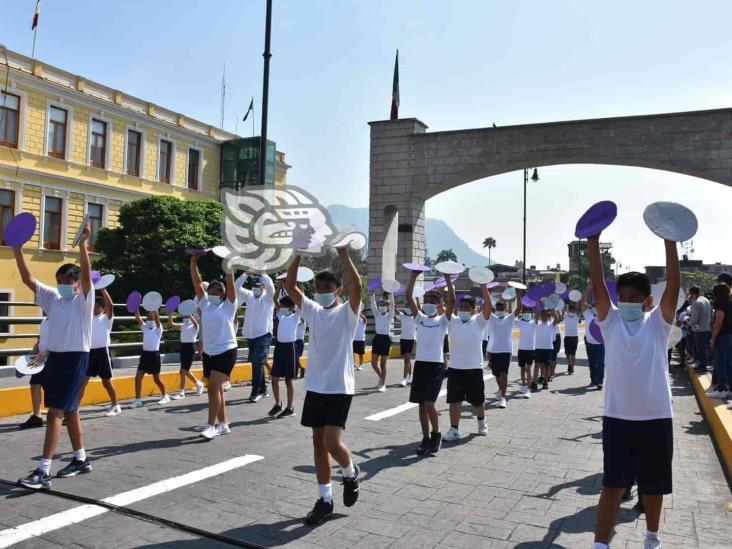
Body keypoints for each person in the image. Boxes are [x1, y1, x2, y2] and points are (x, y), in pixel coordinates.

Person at [588, 229, 680, 549]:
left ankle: (652, 537)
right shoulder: (610, 322)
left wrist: (671, 240)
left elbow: (674, 287)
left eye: (634, 298)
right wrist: (592, 240)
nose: (627, 302)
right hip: (618, 419)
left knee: (653, 487)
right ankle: (601, 543)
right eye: (622, 297)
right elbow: (599, 286)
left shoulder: (658, 323)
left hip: (656, 418)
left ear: (648, 301)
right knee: (613, 485)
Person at [284, 248, 362, 526]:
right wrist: (296, 256)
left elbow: (358, 286)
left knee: (331, 442)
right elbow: (290, 286)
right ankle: (324, 499)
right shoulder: (313, 311)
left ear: (338, 289)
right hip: (316, 386)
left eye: (327, 288)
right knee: (318, 444)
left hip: (340, 387)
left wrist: (343, 254)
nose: (321, 292)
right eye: (318, 288)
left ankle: (351, 472)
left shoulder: (347, 313)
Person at [15, 225, 94, 489]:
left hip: (75, 359)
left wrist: (83, 245)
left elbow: (86, 280)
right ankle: (80, 459)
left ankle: (43, 470)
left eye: (67, 283)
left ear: (77, 283)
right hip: (56, 359)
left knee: (56, 412)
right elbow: (29, 280)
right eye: (59, 282)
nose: (62, 286)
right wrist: (17, 249)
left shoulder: (84, 301)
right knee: (70, 411)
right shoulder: (54, 299)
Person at [192, 257, 238, 440]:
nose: (215, 291)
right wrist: (194, 261)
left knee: (212, 387)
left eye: (219, 290)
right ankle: (224, 424)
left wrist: (228, 265)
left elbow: (230, 281)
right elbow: (196, 281)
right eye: (212, 289)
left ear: (224, 294)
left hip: (226, 350)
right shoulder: (204, 304)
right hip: (210, 353)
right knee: (216, 389)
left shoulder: (229, 306)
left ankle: (210, 426)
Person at [406, 271, 450, 456]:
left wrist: (447, 280)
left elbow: (453, 303)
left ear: (439, 304)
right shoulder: (420, 319)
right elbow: (408, 296)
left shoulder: (443, 321)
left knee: (429, 403)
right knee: (421, 405)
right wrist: (414, 277)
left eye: (433, 302)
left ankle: (436, 434)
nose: (429, 305)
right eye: (427, 301)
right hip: (421, 366)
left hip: (436, 367)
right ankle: (425, 438)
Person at [442, 286, 490, 441]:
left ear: (474, 309)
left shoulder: (479, 322)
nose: (463, 309)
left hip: (474, 368)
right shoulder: (453, 321)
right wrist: (449, 284)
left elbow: (488, 306)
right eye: (461, 307)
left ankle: (482, 422)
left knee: (478, 400)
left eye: (466, 307)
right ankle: (454, 429)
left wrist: (483, 288)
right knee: (454, 400)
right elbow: (449, 305)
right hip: (455, 368)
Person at [235, 273, 275, 402]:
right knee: (257, 362)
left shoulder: (268, 297)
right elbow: (236, 287)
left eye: (258, 285)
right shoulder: (249, 296)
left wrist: (262, 273)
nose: (255, 288)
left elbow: (271, 286)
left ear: (263, 286)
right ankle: (263, 390)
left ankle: (255, 390)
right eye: (254, 286)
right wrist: (246, 273)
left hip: (264, 334)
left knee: (257, 361)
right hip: (251, 334)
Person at [81, 289, 120, 416]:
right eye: (94, 306)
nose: (95, 308)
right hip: (89, 353)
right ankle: (73, 408)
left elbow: (111, 305)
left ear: (103, 309)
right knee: (83, 382)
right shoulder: (87, 319)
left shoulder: (106, 319)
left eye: (98, 306)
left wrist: (102, 288)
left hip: (102, 353)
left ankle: (115, 405)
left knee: (106, 382)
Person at [268, 295, 300, 418]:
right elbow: (275, 298)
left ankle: (290, 407)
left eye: (283, 306)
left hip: (290, 349)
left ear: (291, 307)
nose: (280, 308)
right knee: (274, 378)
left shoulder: (296, 317)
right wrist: (280, 284)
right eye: (280, 306)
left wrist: (300, 282)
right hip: (279, 348)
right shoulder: (281, 316)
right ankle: (277, 404)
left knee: (288, 380)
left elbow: (300, 298)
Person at [131, 308, 169, 408]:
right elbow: (138, 317)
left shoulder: (158, 329)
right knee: (137, 378)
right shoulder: (145, 327)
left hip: (154, 356)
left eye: (151, 317)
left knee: (156, 379)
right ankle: (138, 400)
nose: (149, 319)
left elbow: (157, 320)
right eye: (148, 317)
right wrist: (136, 307)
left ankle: (165, 395)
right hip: (144, 356)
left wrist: (155, 308)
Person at [18, 317, 49, 429]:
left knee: (53, 388)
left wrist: (46, 354)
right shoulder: (44, 321)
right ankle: (37, 416)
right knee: (35, 384)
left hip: (55, 359)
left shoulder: (60, 320)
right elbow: (40, 341)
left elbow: (60, 340)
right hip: (40, 359)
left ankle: (66, 414)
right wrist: (30, 355)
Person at [167, 312, 204, 399]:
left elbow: (195, 323)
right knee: (184, 370)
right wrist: (170, 314)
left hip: (190, 348)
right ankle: (199, 384)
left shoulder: (195, 327)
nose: (186, 316)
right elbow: (171, 324)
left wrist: (189, 313)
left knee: (183, 371)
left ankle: (181, 393)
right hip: (183, 347)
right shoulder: (183, 326)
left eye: (188, 315)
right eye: (185, 315)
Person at [487, 298, 515, 408]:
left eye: (501, 308)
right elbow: (486, 307)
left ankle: (503, 397)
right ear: (495, 309)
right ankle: (500, 389)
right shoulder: (492, 318)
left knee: (504, 373)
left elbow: (519, 308)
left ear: (505, 309)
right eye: (498, 308)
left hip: (506, 350)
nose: (499, 310)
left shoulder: (509, 318)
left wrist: (517, 293)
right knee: (497, 374)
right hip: (493, 350)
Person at [706, 284, 732, 399]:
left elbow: (718, 324)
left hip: (722, 337)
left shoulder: (720, 306)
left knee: (721, 363)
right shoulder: (730, 305)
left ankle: (721, 389)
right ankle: (730, 389)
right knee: (729, 364)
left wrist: (712, 339)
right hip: (730, 336)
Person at [370, 291, 395, 391]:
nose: (382, 305)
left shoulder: (389, 316)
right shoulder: (377, 314)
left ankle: (383, 384)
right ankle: (381, 378)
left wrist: (391, 295)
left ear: (387, 306)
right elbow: (373, 305)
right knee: (373, 363)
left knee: (382, 364)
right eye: (381, 304)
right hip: (377, 339)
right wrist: (372, 295)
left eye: (384, 304)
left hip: (385, 339)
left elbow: (393, 306)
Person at [583, 290, 606, 390]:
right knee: (591, 362)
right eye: (593, 303)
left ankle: (600, 382)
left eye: (597, 303)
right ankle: (593, 380)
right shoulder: (587, 313)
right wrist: (587, 292)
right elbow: (582, 302)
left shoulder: (603, 313)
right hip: (589, 341)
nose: (595, 304)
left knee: (600, 362)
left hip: (601, 342)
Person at [533, 306, 559, 391]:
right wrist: (538, 305)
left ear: (548, 317)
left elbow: (557, 319)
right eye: (542, 315)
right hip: (538, 348)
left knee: (546, 366)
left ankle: (545, 382)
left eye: (545, 315)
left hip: (548, 348)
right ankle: (534, 382)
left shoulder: (551, 325)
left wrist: (552, 308)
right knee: (536, 365)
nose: (543, 317)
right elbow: (536, 316)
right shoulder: (537, 324)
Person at [514, 298, 536, 398]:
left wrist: (537, 304)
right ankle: (523, 384)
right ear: (522, 314)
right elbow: (512, 316)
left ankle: (528, 388)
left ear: (531, 314)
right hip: (521, 349)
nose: (526, 314)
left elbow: (538, 314)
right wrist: (512, 303)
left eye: (528, 312)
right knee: (522, 368)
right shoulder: (520, 323)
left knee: (528, 368)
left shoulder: (533, 323)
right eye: (525, 312)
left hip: (530, 349)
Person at [688, 286, 712, 374]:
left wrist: (688, 324)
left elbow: (694, 318)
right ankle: (702, 365)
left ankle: (703, 367)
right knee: (703, 348)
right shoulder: (705, 300)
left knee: (700, 349)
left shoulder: (696, 303)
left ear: (691, 293)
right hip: (706, 328)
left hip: (698, 329)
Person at [398, 303, 417, 386]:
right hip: (403, 340)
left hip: (411, 340)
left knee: (407, 360)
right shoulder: (402, 316)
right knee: (407, 360)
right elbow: (394, 309)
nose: (408, 308)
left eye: (409, 306)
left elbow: (418, 310)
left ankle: (404, 379)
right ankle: (411, 375)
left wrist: (415, 300)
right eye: (407, 306)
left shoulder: (415, 317)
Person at [563, 303, 581, 375]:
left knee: (573, 354)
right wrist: (566, 303)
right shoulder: (566, 316)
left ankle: (572, 368)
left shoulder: (576, 316)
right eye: (571, 309)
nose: (572, 311)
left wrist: (578, 302)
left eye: (573, 310)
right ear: (569, 310)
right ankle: (569, 365)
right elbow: (564, 308)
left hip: (574, 337)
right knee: (567, 353)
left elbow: (578, 310)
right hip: (567, 337)